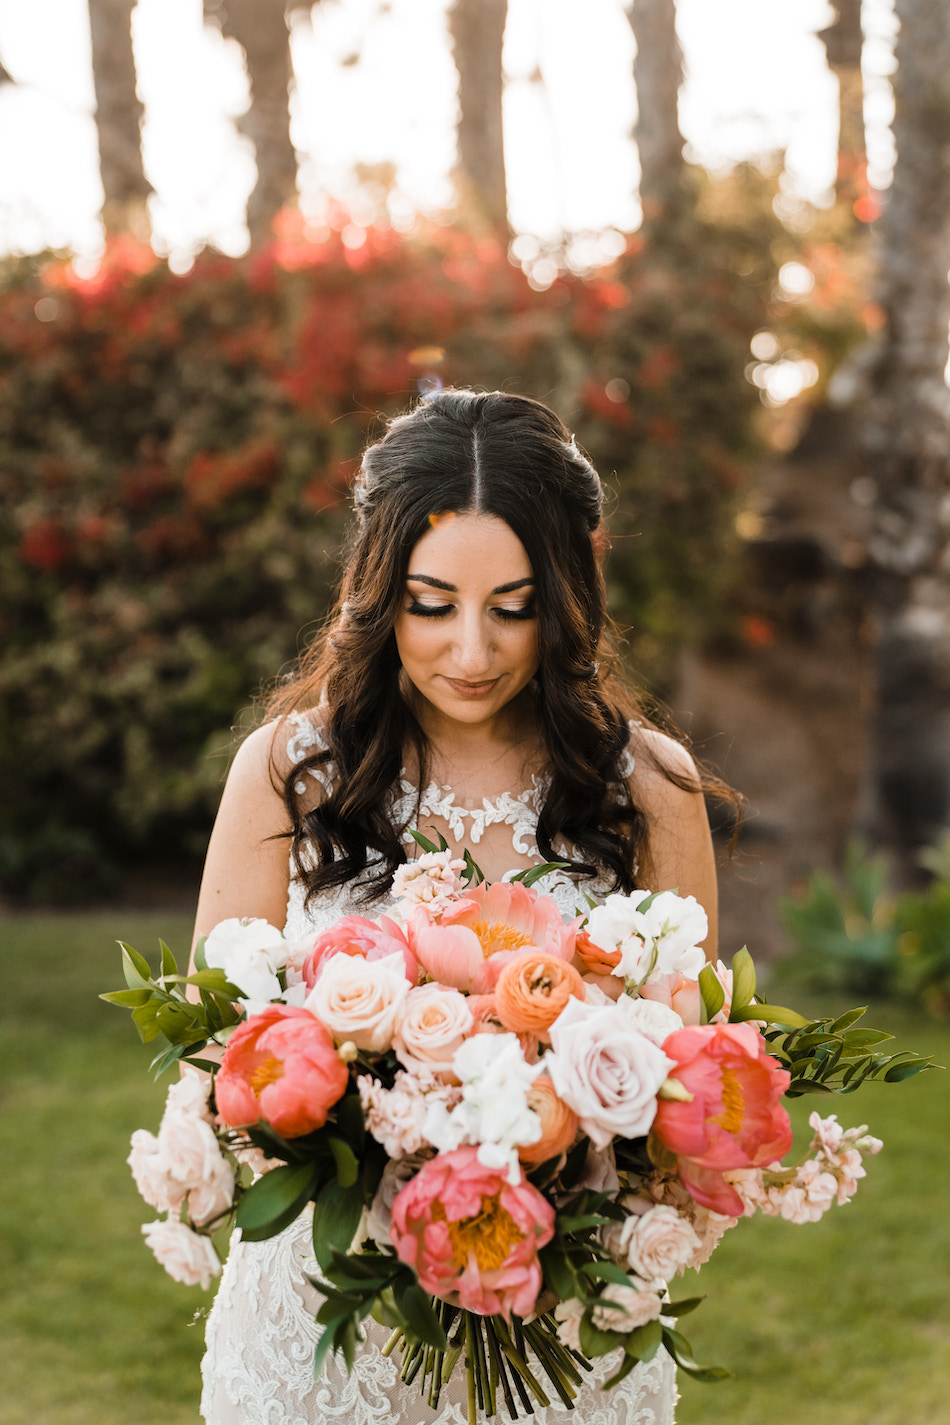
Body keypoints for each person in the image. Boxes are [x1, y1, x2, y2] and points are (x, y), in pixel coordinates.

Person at [195, 388, 723, 1425]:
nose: (471, 651)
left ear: (568, 593)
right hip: (324, 1309)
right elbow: (222, 1047)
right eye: (431, 604)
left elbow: (685, 1075)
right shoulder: (290, 772)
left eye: (513, 607)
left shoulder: (649, 787)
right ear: (377, 589)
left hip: (559, 1323)